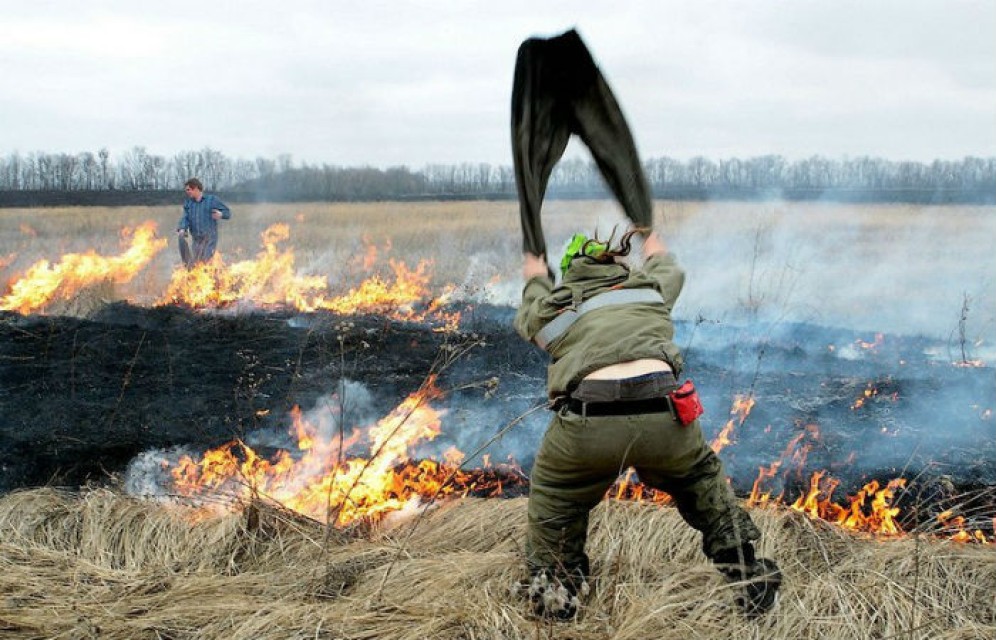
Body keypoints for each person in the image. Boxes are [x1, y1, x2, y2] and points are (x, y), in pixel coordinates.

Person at [514, 228, 782, 620]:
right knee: (699, 481)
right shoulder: (647, 289)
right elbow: (667, 265)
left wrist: (536, 272)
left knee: (556, 495)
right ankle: (746, 574)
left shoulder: (559, 305)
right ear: (617, 265)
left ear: (572, 272)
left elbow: (530, 317)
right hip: (664, 415)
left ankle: (555, 594)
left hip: (589, 422)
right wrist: (649, 233)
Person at [176, 177, 231, 267]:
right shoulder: (189, 204)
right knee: (197, 266)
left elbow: (227, 212)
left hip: (210, 239)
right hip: (196, 240)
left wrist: (221, 214)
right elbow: (185, 218)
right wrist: (182, 228)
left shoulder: (211, 200)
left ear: (196, 188)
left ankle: (215, 279)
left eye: (188, 189)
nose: (187, 192)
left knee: (206, 263)